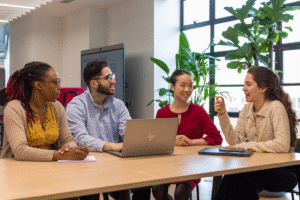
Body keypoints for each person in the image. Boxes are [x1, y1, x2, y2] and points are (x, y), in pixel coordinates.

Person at [66, 60, 151, 200]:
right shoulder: (76, 105)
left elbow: (129, 132)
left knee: (141, 182)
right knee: (90, 193)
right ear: (93, 83)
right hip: (87, 165)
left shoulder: (118, 105)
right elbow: (80, 139)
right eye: (108, 78)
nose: (114, 81)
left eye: (113, 76)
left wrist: (139, 140)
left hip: (113, 164)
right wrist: (112, 146)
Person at [213, 66, 298, 200]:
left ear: (263, 88)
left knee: (237, 173)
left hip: (283, 173)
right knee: (243, 186)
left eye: (248, 84)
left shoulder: (276, 107)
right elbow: (235, 141)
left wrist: (246, 146)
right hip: (258, 168)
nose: (243, 88)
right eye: (244, 84)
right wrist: (223, 114)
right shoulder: (247, 108)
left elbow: (281, 145)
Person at [152, 69, 223, 200]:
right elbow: (157, 140)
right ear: (172, 87)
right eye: (183, 85)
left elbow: (217, 138)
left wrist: (191, 142)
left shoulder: (199, 111)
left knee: (181, 193)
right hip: (167, 164)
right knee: (157, 191)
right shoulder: (162, 113)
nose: (187, 89)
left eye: (190, 85)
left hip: (191, 165)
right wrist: (171, 140)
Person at [1, 61, 89, 162]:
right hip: (17, 170)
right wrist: (59, 155)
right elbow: (20, 151)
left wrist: (69, 148)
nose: (59, 87)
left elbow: (67, 140)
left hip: (49, 167)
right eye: (55, 82)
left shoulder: (57, 107)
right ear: (38, 85)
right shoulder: (14, 108)